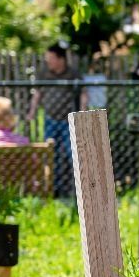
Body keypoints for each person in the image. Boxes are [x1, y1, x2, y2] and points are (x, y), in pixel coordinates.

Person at [27, 43, 86, 197]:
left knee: (72, 153)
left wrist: (82, 113)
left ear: (61, 59)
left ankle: (78, 191)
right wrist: (32, 112)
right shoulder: (44, 73)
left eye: (51, 59)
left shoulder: (73, 74)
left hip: (68, 121)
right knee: (50, 154)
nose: (48, 62)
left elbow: (83, 94)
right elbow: (37, 94)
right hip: (50, 120)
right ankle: (51, 189)